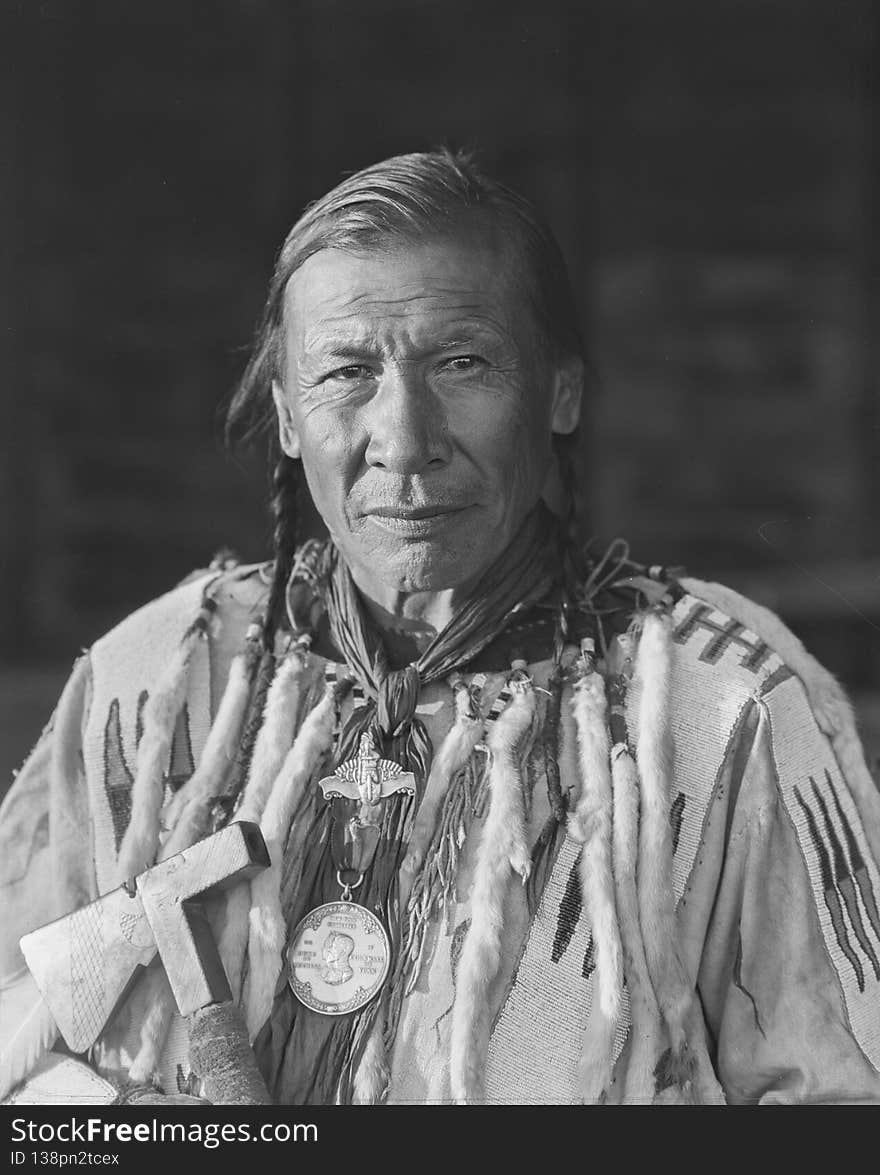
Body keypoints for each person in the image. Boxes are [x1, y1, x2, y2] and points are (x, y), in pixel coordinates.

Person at [2, 149, 880, 1107]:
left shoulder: (716, 709)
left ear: (561, 394)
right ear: (289, 417)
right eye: (345, 372)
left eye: (462, 364)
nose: (404, 437)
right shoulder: (159, 683)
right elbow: (22, 1044)